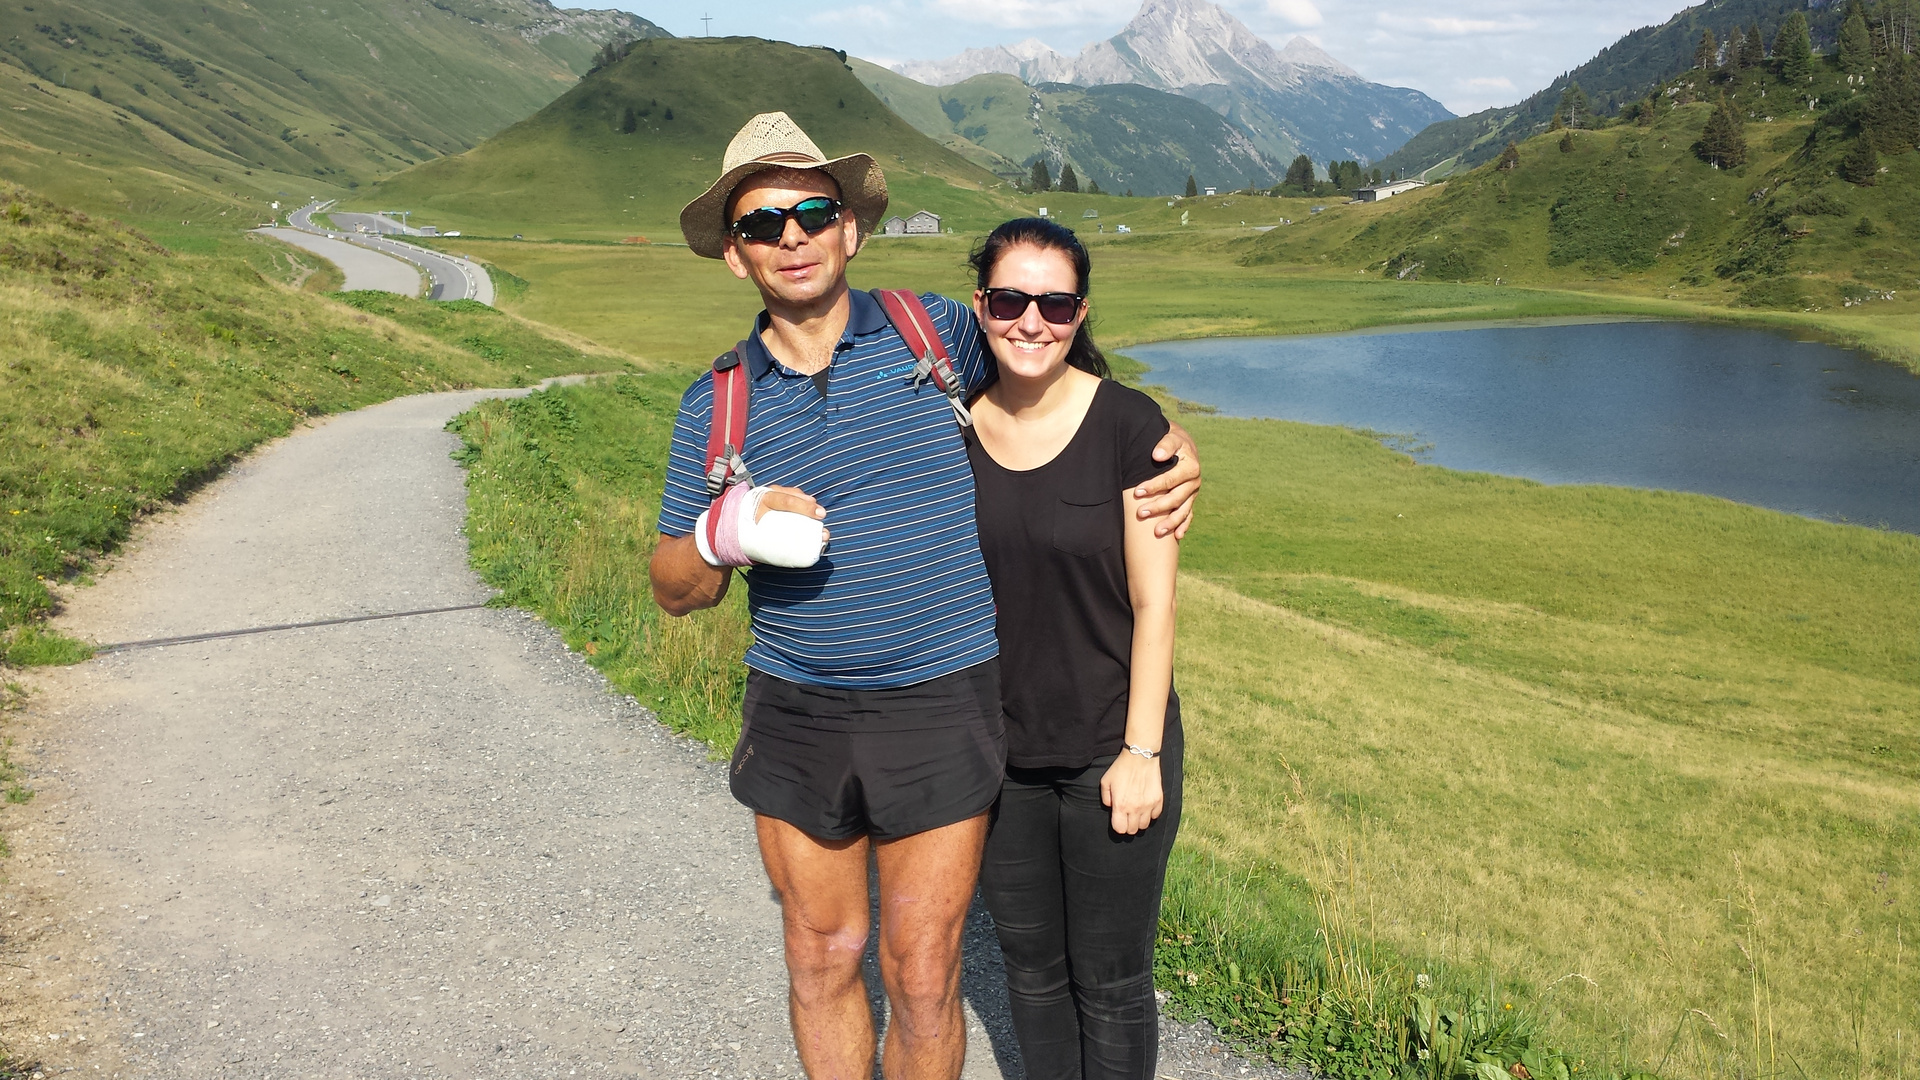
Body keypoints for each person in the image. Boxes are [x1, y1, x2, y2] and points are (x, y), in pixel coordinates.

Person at [647, 113, 1201, 1080]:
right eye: (762, 223)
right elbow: (670, 586)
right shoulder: (719, 401)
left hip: (943, 703)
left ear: (850, 228)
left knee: (923, 971)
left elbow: (1053, 365)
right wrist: (719, 535)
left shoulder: (935, 332)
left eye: (812, 212)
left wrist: (1167, 445)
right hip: (797, 709)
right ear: (734, 256)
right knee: (819, 957)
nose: (791, 236)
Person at [963, 219, 1183, 1080]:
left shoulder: (1129, 424)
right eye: (1011, 299)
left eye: (1055, 303)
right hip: (998, 757)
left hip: (1108, 744)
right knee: (1032, 973)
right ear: (981, 304)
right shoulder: (948, 427)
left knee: (1114, 979)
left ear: (1080, 311)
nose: (1032, 321)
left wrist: (1140, 752)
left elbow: (1154, 603)